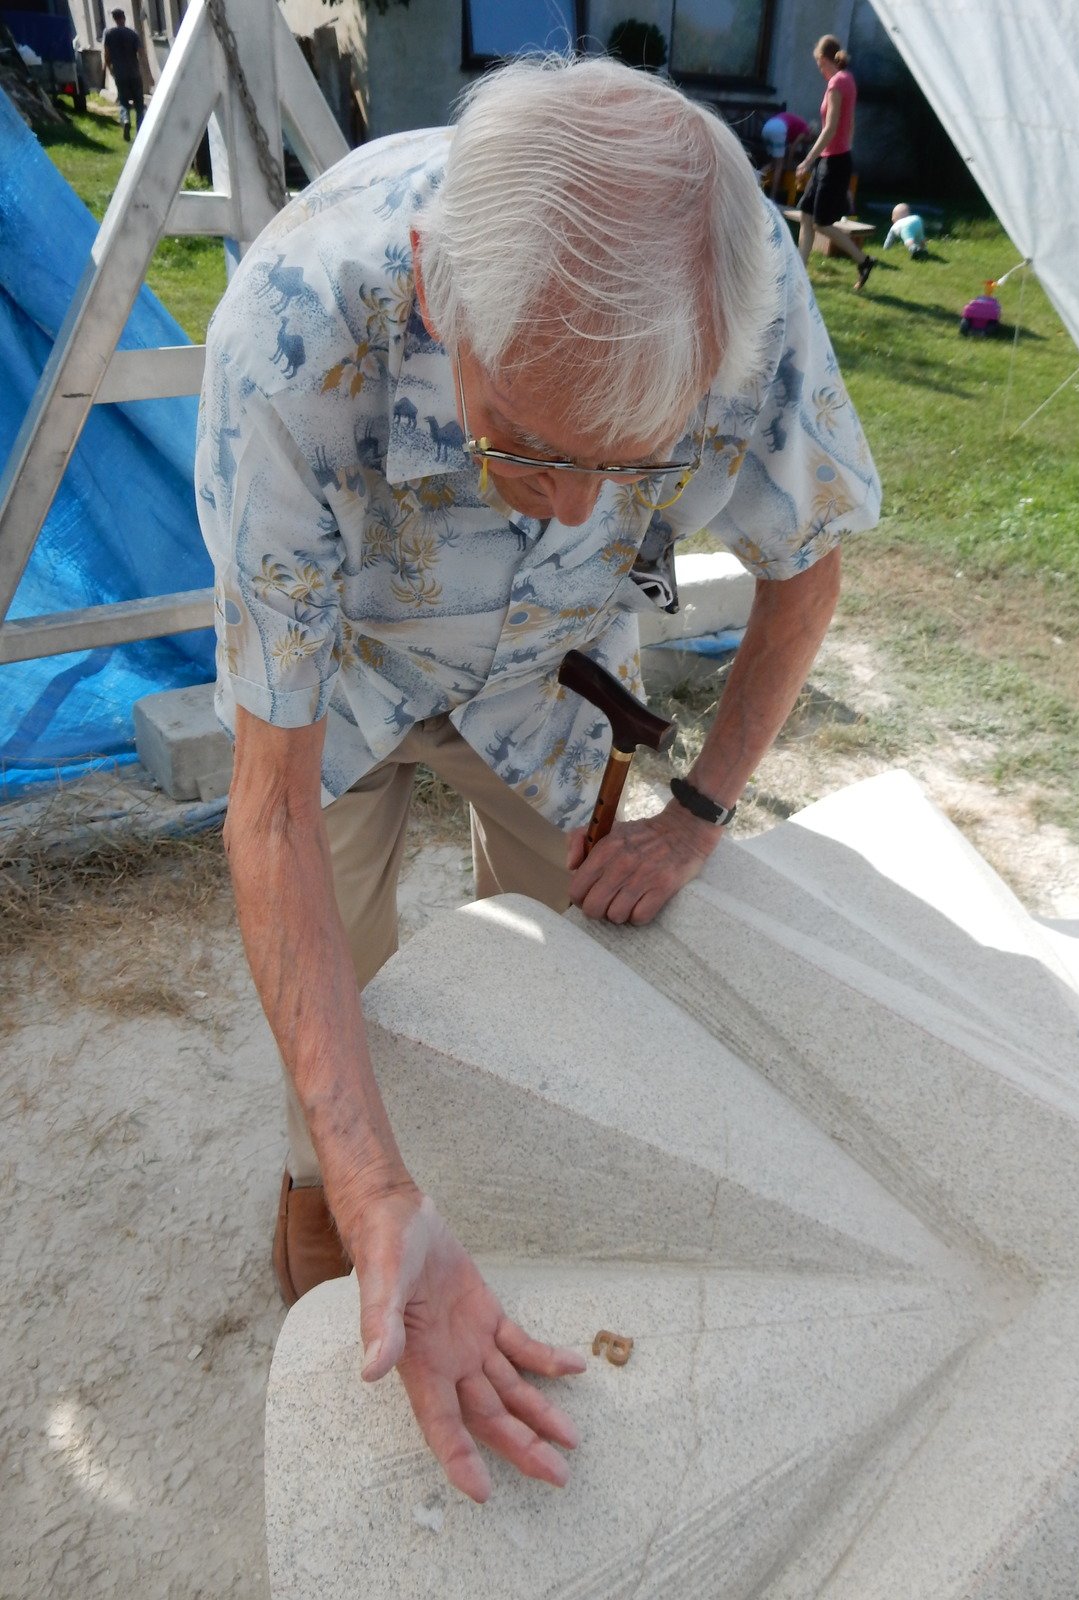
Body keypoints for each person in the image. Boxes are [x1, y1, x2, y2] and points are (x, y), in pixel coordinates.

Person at [196, 54, 880, 1504]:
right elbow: (268, 807)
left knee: (563, 990)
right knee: (338, 998)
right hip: (352, 681)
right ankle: (334, 1220)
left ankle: (508, 1216)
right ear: (443, 296)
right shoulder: (293, 333)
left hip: (553, 682)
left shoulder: (732, 289)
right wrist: (372, 1181)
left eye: (625, 467)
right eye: (530, 449)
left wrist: (699, 814)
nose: (576, 499)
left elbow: (805, 563)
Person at [795, 35, 875, 290]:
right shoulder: (847, 79)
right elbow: (847, 124)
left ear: (824, 59)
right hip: (834, 158)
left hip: (833, 162)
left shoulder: (836, 84)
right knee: (806, 215)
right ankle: (799, 273)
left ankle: (864, 260)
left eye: (819, 63)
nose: (819, 69)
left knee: (821, 222)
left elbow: (830, 128)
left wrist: (808, 160)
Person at [102, 8, 144, 142]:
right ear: (124, 18)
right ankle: (140, 131)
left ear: (114, 19)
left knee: (124, 102)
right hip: (134, 72)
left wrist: (109, 68)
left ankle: (126, 120)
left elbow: (107, 54)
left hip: (120, 73)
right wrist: (146, 73)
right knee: (139, 104)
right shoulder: (132, 34)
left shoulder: (109, 34)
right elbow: (141, 53)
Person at [759, 109, 810, 206]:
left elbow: (789, 147)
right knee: (780, 164)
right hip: (778, 129)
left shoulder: (796, 126)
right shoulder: (805, 130)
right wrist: (789, 165)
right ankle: (773, 197)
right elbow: (793, 148)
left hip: (766, 128)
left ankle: (756, 176)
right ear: (811, 134)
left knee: (774, 162)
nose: (806, 142)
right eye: (809, 141)